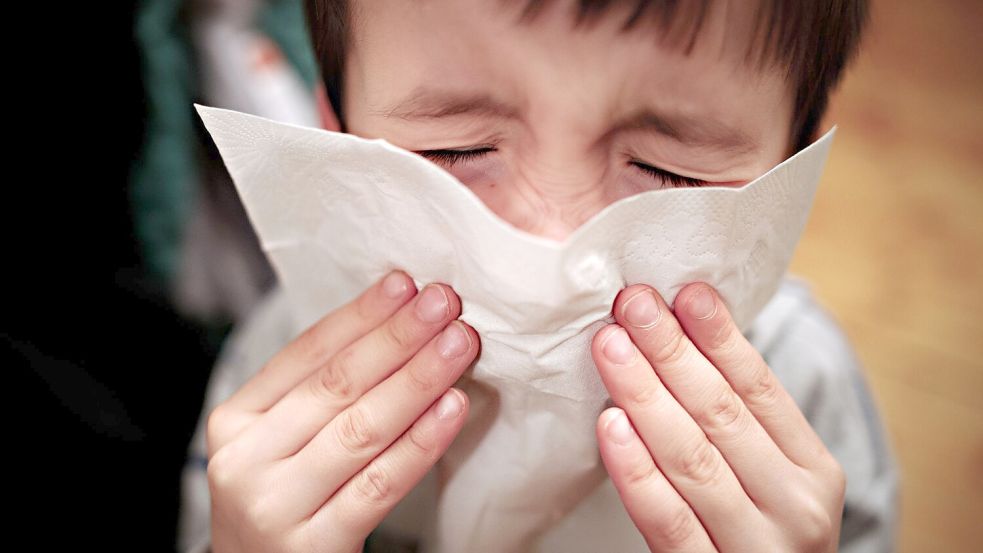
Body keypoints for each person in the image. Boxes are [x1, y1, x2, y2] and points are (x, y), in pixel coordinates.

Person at [179, 1, 899, 551]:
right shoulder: (282, 378)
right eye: (456, 149)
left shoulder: (806, 390)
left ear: (790, 172)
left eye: (667, 170)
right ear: (335, 136)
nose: (555, 248)